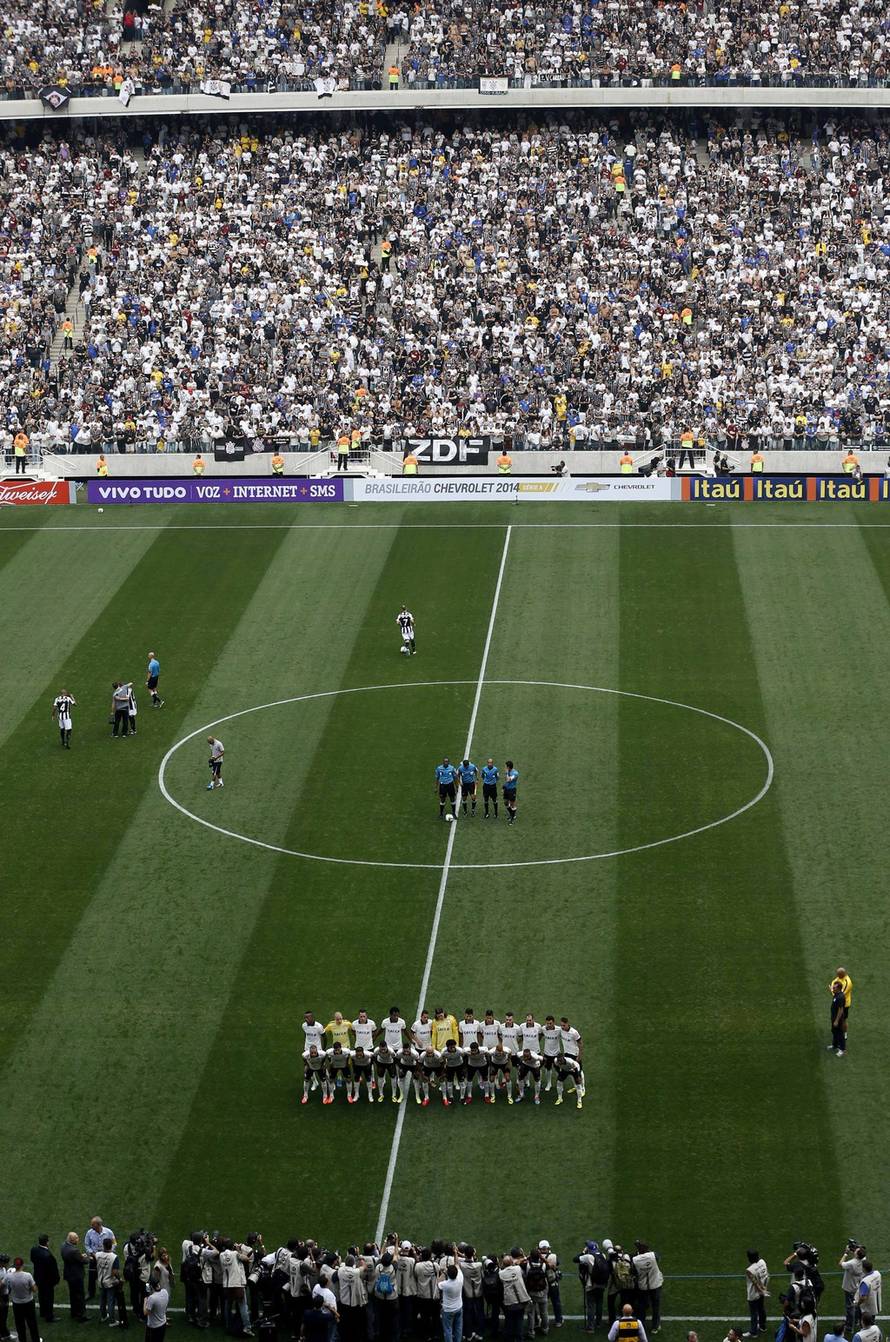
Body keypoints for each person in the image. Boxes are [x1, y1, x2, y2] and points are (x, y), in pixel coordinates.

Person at [575, 1242, 609, 1333]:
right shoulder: (603, 1255)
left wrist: (583, 1252)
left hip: (591, 1284)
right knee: (599, 1303)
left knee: (591, 1306)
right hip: (602, 1284)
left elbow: (575, 1259)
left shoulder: (588, 1256)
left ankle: (590, 1327)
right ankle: (598, 1323)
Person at [631, 1246, 662, 1336]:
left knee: (642, 1308)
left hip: (643, 1287)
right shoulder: (653, 1256)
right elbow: (658, 1258)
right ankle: (655, 1327)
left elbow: (633, 1272)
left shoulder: (635, 1260)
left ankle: (641, 1327)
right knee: (656, 1306)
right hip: (655, 1285)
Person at [498, 1257, 530, 1342]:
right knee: (519, 1320)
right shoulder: (518, 1268)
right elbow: (517, 1262)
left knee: (509, 1321)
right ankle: (519, 1338)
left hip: (509, 1302)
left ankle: (509, 1338)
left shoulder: (501, 1273)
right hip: (521, 1300)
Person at [9, 1260, 40, 1342]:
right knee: (32, 1322)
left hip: (17, 1304)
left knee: (19, 1324)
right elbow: (34, 1289)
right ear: (22, 1265)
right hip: (28, 1302)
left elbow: (2, 1285)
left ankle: (22, 1339)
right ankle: (35, 1339)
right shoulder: (27, 1275)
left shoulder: (9, 1276)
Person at [30, 1238, 59, 1324]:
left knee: (41, 1295)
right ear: (47, 1242)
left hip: (38, 1277)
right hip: (47, 1280)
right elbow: (53, 1270)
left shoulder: (34, 1249)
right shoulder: (48, 1255)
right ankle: (49, 1316)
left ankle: (43, 1312)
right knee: (49, 1297)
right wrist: (56, 1280)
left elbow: (32, 1259)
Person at [62, 1233, 89, 1323]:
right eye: (76, 1238)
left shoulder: (64, 1246)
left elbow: (74, 1258)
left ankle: (74, 1313)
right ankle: (81, 1316)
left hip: (69, 1274)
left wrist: (79, 1256)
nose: (78, 1239)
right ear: (72, 1240)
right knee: (80, 1296)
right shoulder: (74, 1251)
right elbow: (84, 1261)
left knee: (73, 1295)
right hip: (76, 1276)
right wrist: (86, 1257)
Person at [840, 1246, 867, 1333]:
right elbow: (860, 1254)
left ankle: (849, 1327)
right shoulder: (863, 1260)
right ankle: (856, 1322)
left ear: (857, 1254)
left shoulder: (851, 1263)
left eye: (856, 1250)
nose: (855, 1250)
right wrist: (857, 1249)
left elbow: (841, 1263)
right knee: (857, 1305)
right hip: (857, 1286)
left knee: (849, 1307)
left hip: (849, 1288)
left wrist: (846, 1253)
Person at [439, 1255, 464, 1342]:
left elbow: (438, 1282)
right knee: (458, 1328)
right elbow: (457, 1264)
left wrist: (443, 1273)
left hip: (448, 1310)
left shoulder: (445, 1284)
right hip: (458, 1307)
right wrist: (455, 1252)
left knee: (448, 1330)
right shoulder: (460, 1278)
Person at [744, 1250, 769, 1337]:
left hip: (753, 1294)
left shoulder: (749, 1270)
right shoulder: (762, 1262)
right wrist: (764, 1289)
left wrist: (761, 1290)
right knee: (761, 1309)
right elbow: (766, 1276)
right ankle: (762, 1326)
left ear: (749, 1258)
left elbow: (755, 1283)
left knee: (754, 1313)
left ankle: (753, 1332)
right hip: (762, 1291)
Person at [832, 968, 852, 1037]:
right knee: (835, 1017)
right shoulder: (839, 977)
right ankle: (837, 1031)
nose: (837, 976)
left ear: (842, 974)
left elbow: (841, 994)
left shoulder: (847, 982)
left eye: (838, 974)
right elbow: (834, 982)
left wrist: (832, 991)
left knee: (843, 1020)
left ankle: (845, 1033)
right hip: (837, 1001)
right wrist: (833, 989)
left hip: (844, 1004)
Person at [828, 980, 846, 1056]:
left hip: (838, 1019)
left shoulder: (840, 997)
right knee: (834, 1031)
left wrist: (836, 1021)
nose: (833, 988)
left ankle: (842, 1049)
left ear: (839, 988)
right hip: (834, 1017)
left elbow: (841, 1009)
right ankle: (835, 1045)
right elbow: (834, 995)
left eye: (834, 987)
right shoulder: (836, 994)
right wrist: (831, 990)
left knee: (840, 1033)